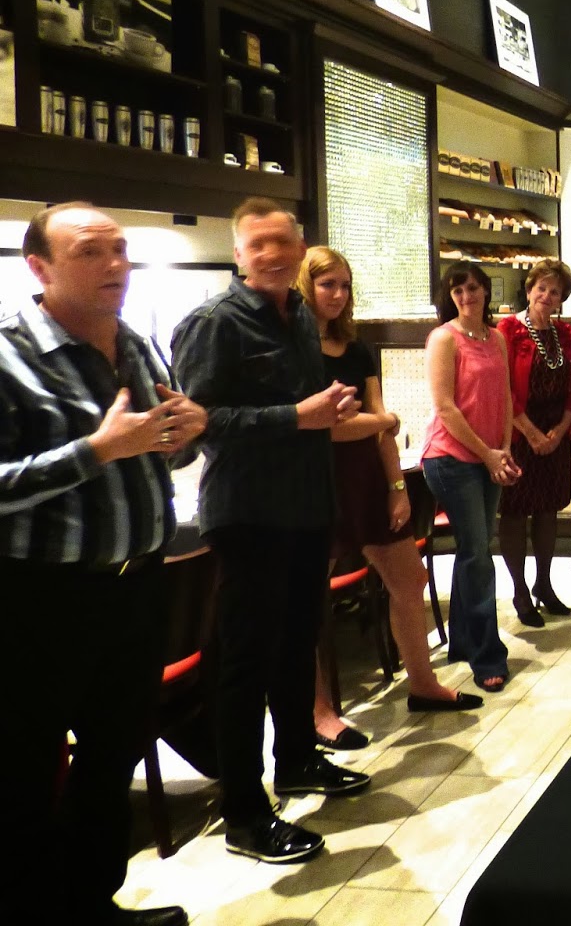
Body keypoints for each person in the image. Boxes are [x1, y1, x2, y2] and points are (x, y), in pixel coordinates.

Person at [1, 203, 205, 926]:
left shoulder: (137, 345)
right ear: (39, 267)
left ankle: (93, 905)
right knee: (24, 772)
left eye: (120, 249)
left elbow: (159, 453)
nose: (115, 264)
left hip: (136, 589)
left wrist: (187, 434)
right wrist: (95, 451)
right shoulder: (9, 357)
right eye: (91, 252)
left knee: (112, 755)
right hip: (41, 598)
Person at [172, 197, 369, 866]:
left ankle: (298, 762)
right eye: (258, 245)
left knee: (295, 645)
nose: (273, 255)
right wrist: (296, 416)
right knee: (245, 664)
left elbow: (306, 412)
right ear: (239, 254)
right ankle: (244, 814)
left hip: (306, 507)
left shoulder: (303, 316)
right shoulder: (213, 323)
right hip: (249, 513)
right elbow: (195, 423)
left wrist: (326, 410)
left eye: (282, 242)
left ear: (299, 247)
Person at [297, 246, 480, 746]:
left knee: (409, 577)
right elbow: (328, 428)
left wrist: (397, 487)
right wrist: (382, 419)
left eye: (344, 285)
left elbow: (375, 427)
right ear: (305, 286)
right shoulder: (297, 351)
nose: (338, 294)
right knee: (309, 603)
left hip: (367, 477)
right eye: (327, 284)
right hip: (316, 481)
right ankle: (319, 711)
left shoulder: (356, 350)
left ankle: (422, 683)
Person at [420, 261, 519, 694]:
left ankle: (463, 640)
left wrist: (505, 449)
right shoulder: (444, 338)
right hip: (450, 458)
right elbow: (446, 407)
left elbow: (505, 397)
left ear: (486, 291)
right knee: (478, 553)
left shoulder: (496, 338)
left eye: (473, 288)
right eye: (458, 290)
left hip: (488, 457)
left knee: (472, 550)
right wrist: (487, 454)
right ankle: (487, 654)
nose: (466, 296)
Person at [496, 259, 571, 626]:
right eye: (541, 288)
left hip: (555, 434)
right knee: (515, 512)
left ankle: (543, 584)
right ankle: (519, 591)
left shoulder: (565, 333)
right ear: (529, 290)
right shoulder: (508, 329)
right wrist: (531, 433)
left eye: (555, 291)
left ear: (562, 298)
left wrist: (560, 430)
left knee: (548, 510)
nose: (547, 296)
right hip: (519, 434)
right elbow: (503, 387)